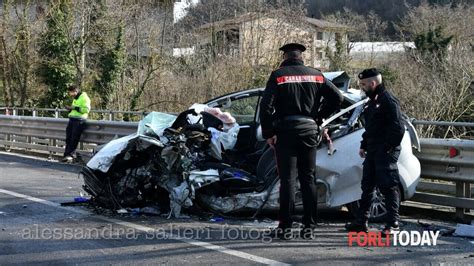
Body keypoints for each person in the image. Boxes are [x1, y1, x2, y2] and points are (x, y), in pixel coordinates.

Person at [260, 43, 343, 240]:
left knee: (287, 180)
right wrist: (319, 117)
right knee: (308, 179)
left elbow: (265, 107)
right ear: (301, 57)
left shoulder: (278, 75)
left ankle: (285, 228)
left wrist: (269, 133)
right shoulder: (316, 74)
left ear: (285, 56)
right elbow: (337, 98)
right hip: (309, 131)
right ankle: (309, 228)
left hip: (286, 131)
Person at [345, 68, 405, 235]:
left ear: (373, 83)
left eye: (364, 84)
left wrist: (387, 147)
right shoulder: (372, 101)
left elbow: (398, 128)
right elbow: (370, 128)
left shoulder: (388, 100)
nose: (362, 87)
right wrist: (364, 145)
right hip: (373, 150)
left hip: (385, 151)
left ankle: (393, 223)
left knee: (388, 186)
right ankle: (361, 221)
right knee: (367, 186)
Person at [62, 85, 91, 163]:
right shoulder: (76, 98)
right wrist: (70, 109)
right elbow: (75, 109)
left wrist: (73, 108)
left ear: (75, 91)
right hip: (72, 119)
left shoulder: (84, 98)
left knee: (74, 138)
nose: (70, 94)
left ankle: (70, 155)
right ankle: (66, 155)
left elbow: (86, 110)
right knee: (68, 138)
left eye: (71, 92)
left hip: (79, 120)